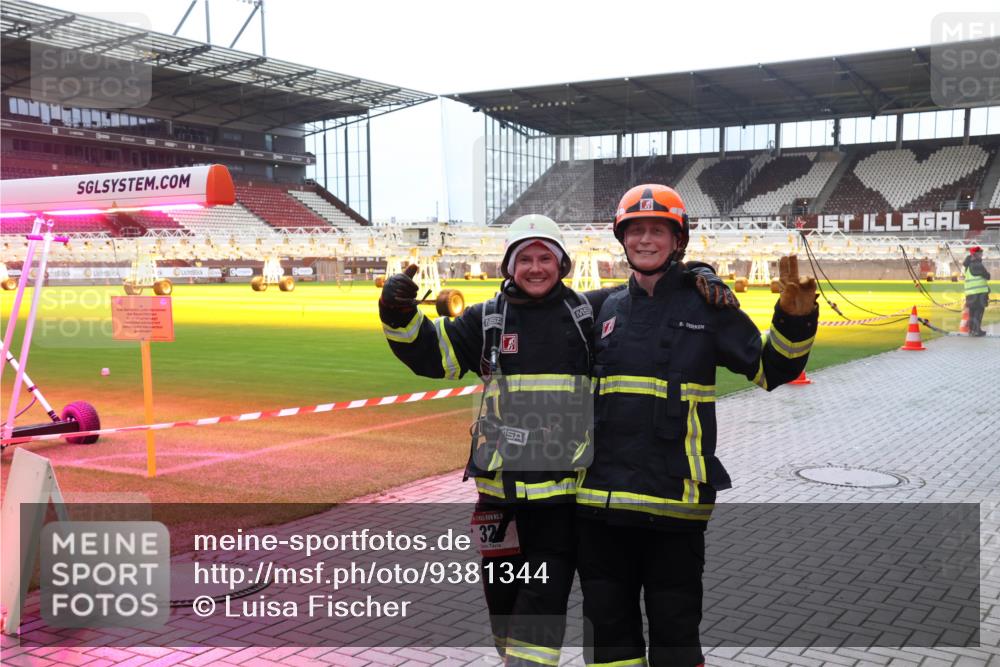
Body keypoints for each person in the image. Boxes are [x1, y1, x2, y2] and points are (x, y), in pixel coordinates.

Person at [378, 213, 737, 666]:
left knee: (537, 622)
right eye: (523, 258)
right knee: (506, 621)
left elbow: (650, 289)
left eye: (544, 258)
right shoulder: (484, 318)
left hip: (559, 508)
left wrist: (695, 272)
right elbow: (432, 356)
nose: (534, 268)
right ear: (509, 266)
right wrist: (396, 314)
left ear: (562, 263)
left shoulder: (590, 312)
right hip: (497, 505)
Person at [576, 184, 819, 667]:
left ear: (678, 240)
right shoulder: (601, 308)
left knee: (675, 638)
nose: (646, 239)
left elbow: (772, 370)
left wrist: (795, 319)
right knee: (609, 640)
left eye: (658, 230)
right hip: (600, 510)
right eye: (636, 229)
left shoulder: (709, 307)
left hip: (674, 509)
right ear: (622, 239)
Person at [963, 246, 991, 337]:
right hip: (979, 293)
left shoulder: (968, 265)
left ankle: (971, 330)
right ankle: (977, 330)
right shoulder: (977, 264)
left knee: (972, 312)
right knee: (979, 312)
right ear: (976, 254)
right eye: (980, 253)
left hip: (970, 293)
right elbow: (987, 276)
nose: (982, 255)